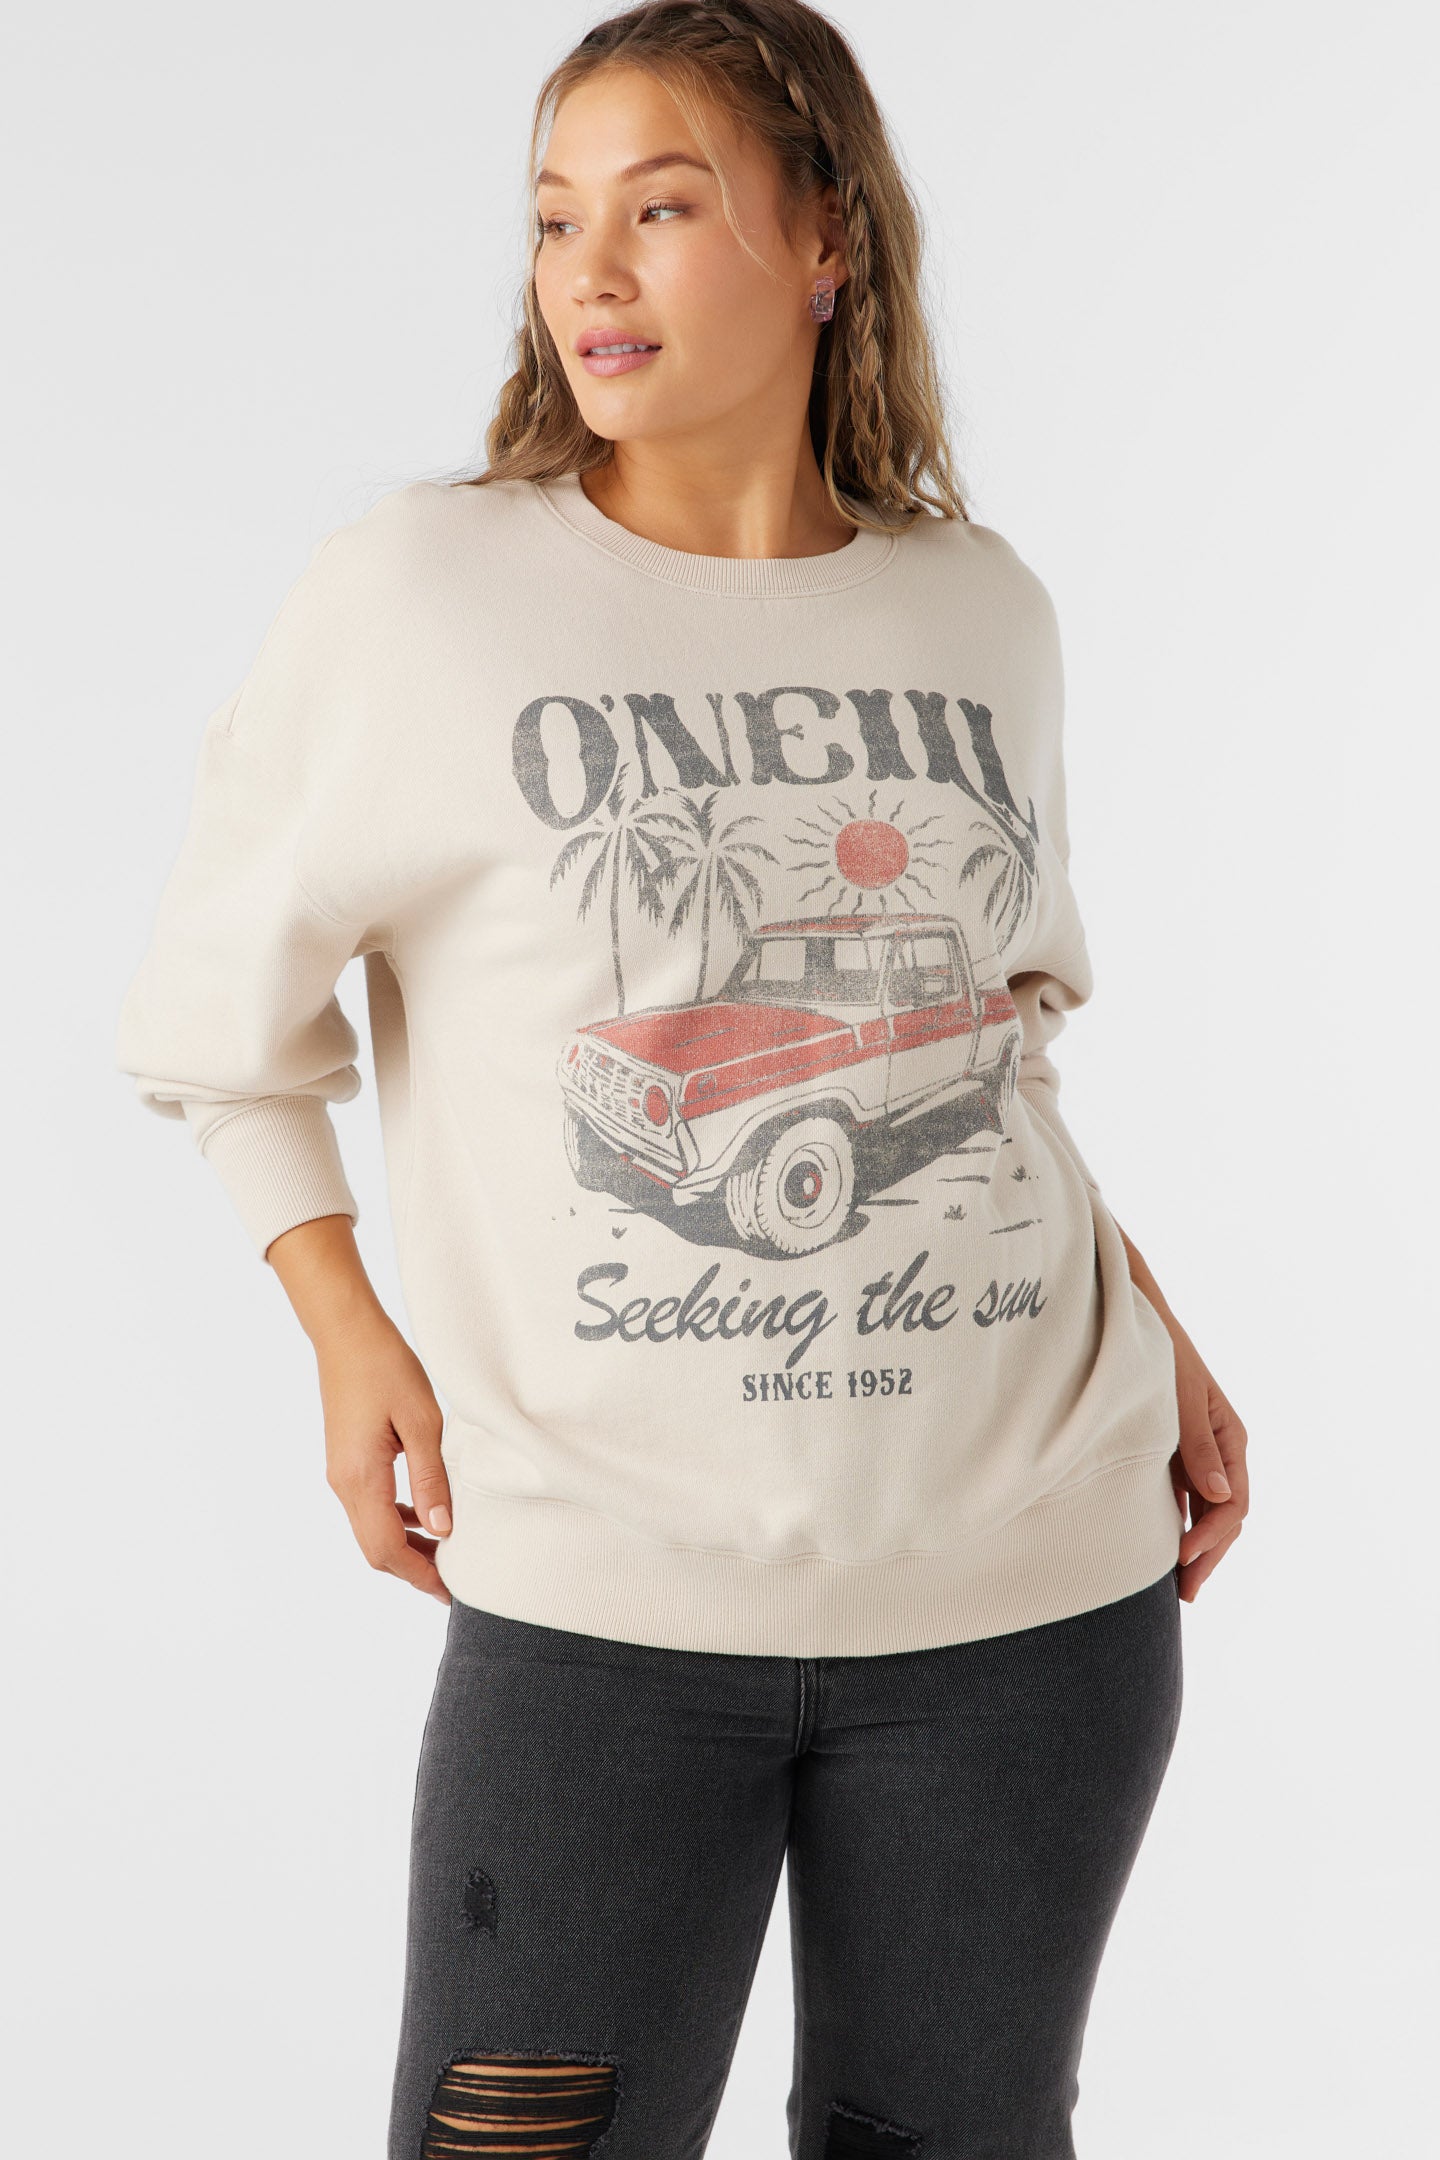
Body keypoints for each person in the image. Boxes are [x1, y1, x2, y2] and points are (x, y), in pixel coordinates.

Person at [114, 3, 1249, 2153]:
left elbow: (1006, 1034)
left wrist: (1152, 1318)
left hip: (1038, 1586)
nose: (590, 270)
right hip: (596, 1595)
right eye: (556, 219)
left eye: (661, 207)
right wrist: (344, 1327)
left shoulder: (979, 610)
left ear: (827, 239)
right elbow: (217, 1029)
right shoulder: (422, 593)